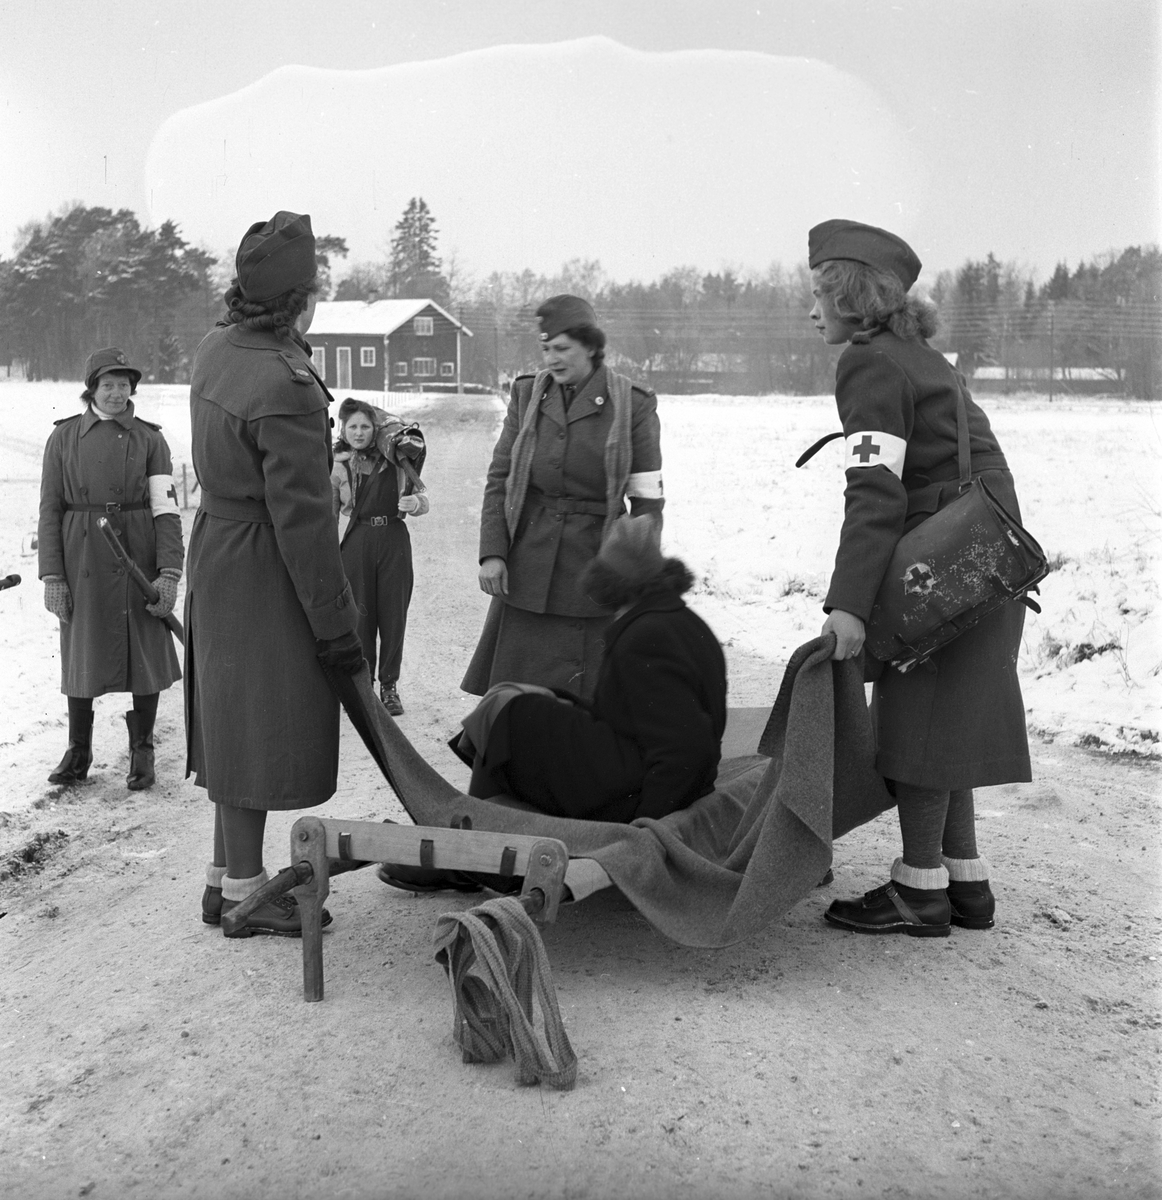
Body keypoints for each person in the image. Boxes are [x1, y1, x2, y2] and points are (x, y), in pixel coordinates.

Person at [805, 219, 1030, 937]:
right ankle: (964, 883)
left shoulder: (870, 364)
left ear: (851, 296)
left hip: (937, 575)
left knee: (917, 728)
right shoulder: (924, 358)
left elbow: (874, 495)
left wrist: (848, 606)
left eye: (820, 294)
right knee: (948, 724)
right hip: (985, 560)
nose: (812, 311)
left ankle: (918, 890)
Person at [185, 211, 364, 938]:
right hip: (264, 563)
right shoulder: (285, 382)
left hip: (217, 546)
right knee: (259, 721)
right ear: (301, 299)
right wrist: (336, 622)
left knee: (234, 714)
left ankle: (222, 878)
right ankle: (246, 892)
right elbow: (306, 522)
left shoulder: (216, 347)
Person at [461, 295, 664, 703]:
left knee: (589, 706)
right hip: (527, 574)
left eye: (562, 348)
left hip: (596, 572)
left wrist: (633, 576)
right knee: (516, 704)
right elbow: (500, 479)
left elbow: (647, 503)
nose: (552, 359)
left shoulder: (632, 405)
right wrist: (493, 553)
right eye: (546, 349)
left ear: (590, 346)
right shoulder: (527, 396)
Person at [461, 514, 727, 822]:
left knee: (510, 715)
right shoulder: (683, 621)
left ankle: (473, 825)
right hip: (634, 764)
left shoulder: (646, 637)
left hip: (633, 788)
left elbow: (685, 748)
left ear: (610, 584)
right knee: (510, 698)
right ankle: (475, 819)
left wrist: (645, 825)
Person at [38, 347, 184, 791]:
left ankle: (143, 750)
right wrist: (53, 575)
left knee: (143, 651)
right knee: (82, 652)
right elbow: (49, 509)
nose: (117, 393)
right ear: (92, 389)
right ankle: (78, 750)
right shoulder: (63, 438)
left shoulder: (150, 440)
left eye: (124, 384)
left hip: (137, 553)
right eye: (108, 385)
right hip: (82, 556)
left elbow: (166, 509)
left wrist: (169, 572)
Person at [330, 398, 429, 716]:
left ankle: (389, 687)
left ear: (375, 429)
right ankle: (364, 689)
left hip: (393, 539)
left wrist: (416, 504)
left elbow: (422, 497)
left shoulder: (396, 458)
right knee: (360, 618)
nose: (359, 432)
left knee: (393, 617)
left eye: (365, 426)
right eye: (353, 426)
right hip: (357, 541)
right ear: (343, 429)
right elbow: (329, 515)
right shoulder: (337, 464)